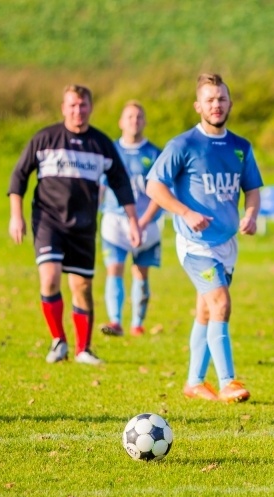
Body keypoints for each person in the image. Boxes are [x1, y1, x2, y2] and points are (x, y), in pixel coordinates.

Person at [146, 73, 262, 404]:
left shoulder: (240, 147)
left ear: (230, 103)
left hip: (227, 244)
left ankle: (194, 382)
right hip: (195, 245)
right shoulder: (182, 145)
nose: (216, 105)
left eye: (221, 99)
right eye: (210, 100)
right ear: (198, 105)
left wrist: (250, 214)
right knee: (221, 303)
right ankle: (228, 382)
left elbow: (252, 189)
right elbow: (154, 186)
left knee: (206, 311)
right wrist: (184, 212)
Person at [8, 84, 140, 366]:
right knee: (50, 277)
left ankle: (83, 350)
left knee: (81, 286)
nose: (77, 111)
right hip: (48, 221)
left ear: (90, 107)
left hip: (83, 226)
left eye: (82, 105)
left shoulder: (102, 145)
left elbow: (121, 183)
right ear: (63, 108)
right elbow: (19, 175)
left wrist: (133, 221)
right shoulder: (45, 138)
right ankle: (58, 341)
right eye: (72, 105)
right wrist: (15, 215)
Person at [99, 101, 163, 337]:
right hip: (115, 221)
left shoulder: (155, 153)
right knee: (114, 268)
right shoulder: (111, 151)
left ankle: (137, 323)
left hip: (147, 222)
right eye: (129, 117)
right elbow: (101, 187)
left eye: (138, 117)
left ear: (144, 121)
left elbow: (161, 192)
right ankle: (115, 321)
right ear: (120, 122)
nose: (134, 121)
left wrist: (144, 221)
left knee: (140, 273)